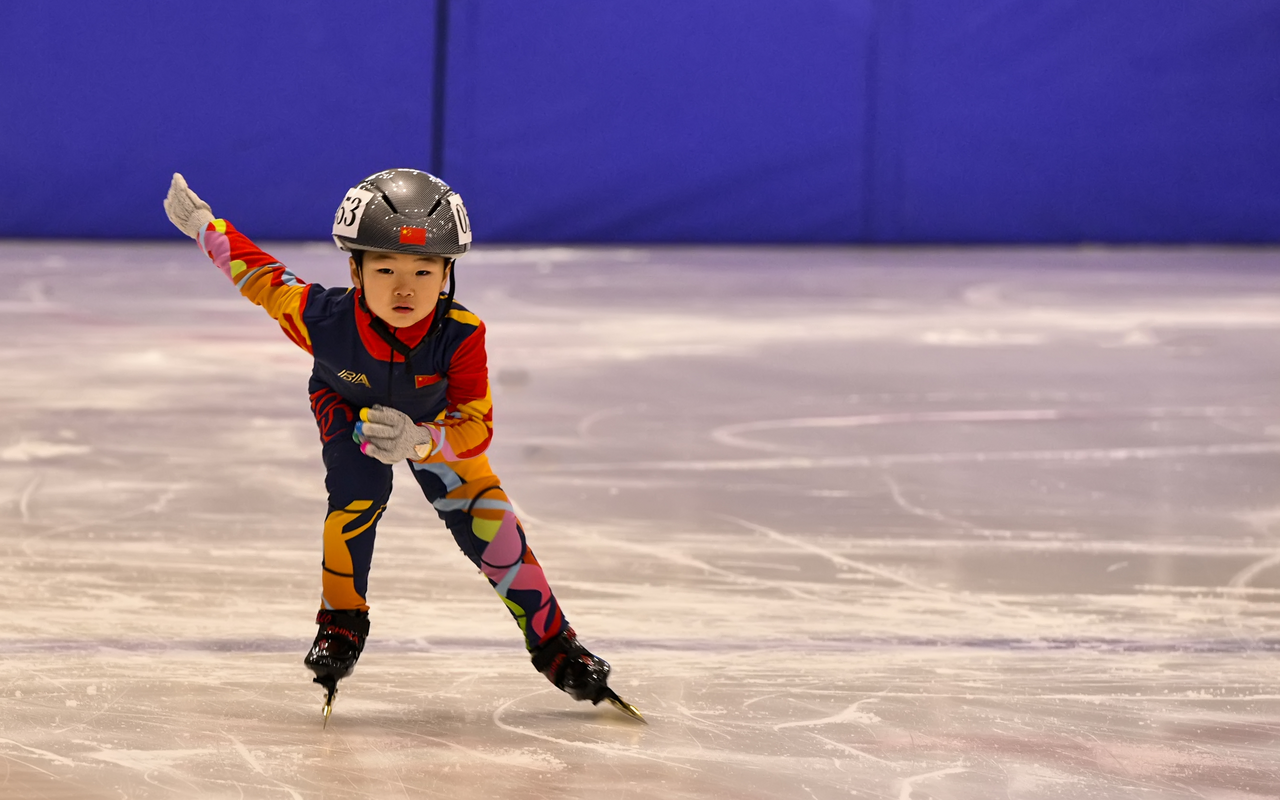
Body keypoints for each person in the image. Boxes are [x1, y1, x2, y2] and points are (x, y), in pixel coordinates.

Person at [163, 169, 639, 721]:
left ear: (447, 273)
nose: (404, 288)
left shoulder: (462, 334)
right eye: (384, 269)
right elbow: (262, 276)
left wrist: (422, 440)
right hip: (349, 407)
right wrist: (204, 226)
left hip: (434, 425)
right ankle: (340, 621)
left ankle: (556, 645)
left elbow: (477, 425)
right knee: (356, 497)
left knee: (491, 523)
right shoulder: (323, 320)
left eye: (423, 270)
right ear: (355, 270)